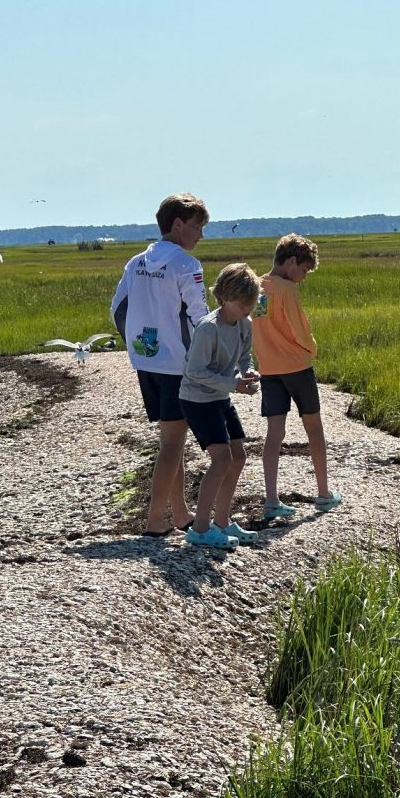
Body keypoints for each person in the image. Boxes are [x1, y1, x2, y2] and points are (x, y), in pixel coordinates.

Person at [111, 192, 209, 536]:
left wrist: (138, 349)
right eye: (198, 226)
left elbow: (117, 309)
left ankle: (180, 514)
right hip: (178, 367)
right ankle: (154, 521)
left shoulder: (135, 262)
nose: (201, 234)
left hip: (147, 363)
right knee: (171, 444)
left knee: (173, 439)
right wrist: (213, 358)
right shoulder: (186, 264)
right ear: (178, 224)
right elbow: (200, 318)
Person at [252, 233, 341, 519]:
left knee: (274, 432)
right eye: (303, 270)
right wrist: (311, 349)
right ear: (291, 261)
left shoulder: (257, 286)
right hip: (297, 367)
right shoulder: (286, 289)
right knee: (314, 427)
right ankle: (324, 493)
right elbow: (299, 329)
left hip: (269, 369)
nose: (303, 277)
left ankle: (271, 499)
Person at [179, 263, 262, 549]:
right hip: (198, 400)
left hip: (220, 398)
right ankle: (200, 529)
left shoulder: (244, 323)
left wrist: (248, 374)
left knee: (238, 456)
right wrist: (233, 384)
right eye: (243, 304)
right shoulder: (208, 329)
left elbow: (244, 358)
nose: (247, 309)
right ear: (225, 297)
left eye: (251, 304)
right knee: (222, 459)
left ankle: (223, 522)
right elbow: (194, 372)